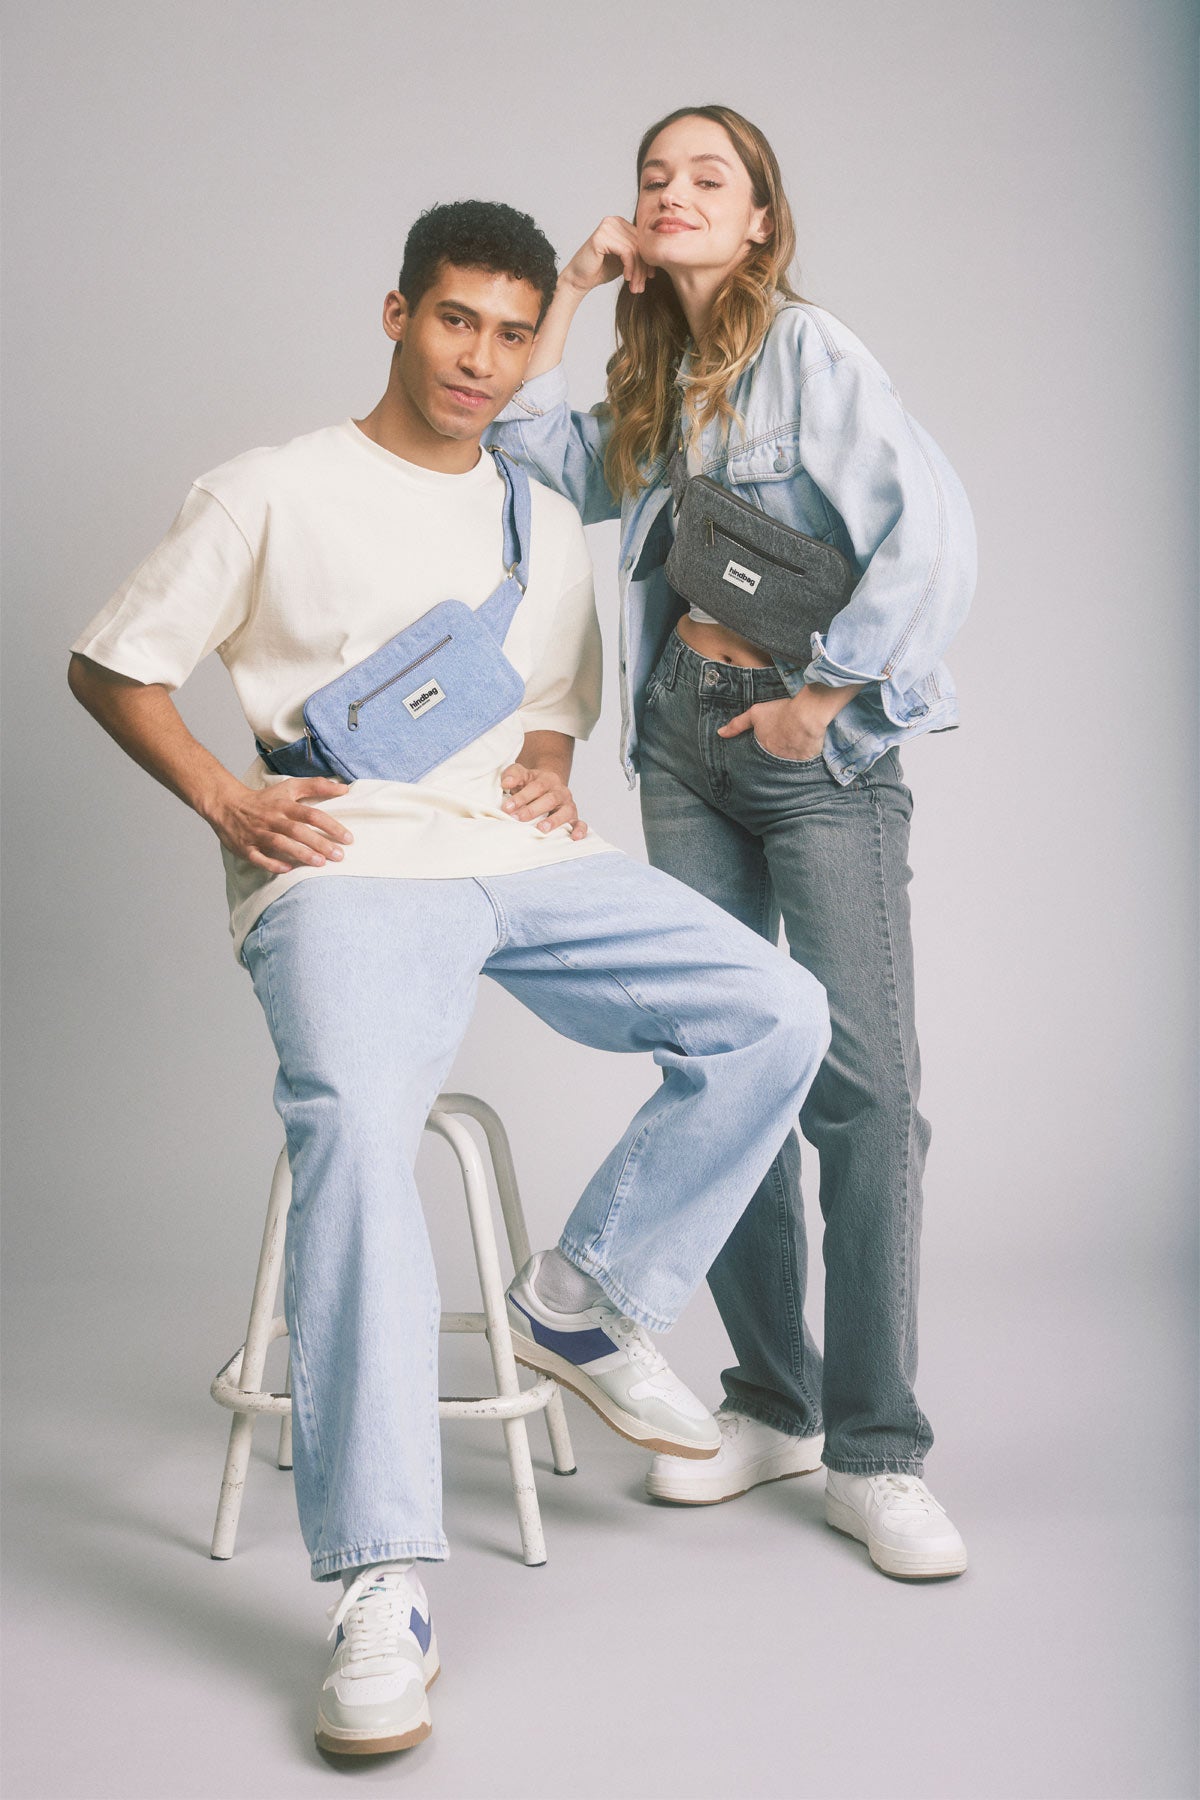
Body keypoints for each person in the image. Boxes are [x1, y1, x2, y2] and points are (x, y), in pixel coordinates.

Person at [67, 199, 831, 1755]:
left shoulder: (537, 512)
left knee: (777, 1009)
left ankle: (584, 1301)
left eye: (510, 332)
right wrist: (224, 800)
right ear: (398, 314)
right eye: (454, 320)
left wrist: (547, 758)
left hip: (518, 861)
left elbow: (548, 690)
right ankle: (381, 1583)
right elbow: (113, 661)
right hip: (345, 868)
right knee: (357, 1134)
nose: (480, 357)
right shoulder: (271, 488)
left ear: (534, 345)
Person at [488, 106, 977, 1581]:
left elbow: (932, 538)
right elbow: (519, 449)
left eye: (711, 177)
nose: (674, 192)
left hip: (806, 749)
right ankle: (774, 1404)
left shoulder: (811, 353)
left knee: (864, 1098)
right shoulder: (651, 386)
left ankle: (879, 1452)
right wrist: (574, 288)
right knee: (731, 1062)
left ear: (762, 217)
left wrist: (829, 699)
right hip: (681, 748)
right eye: (655, 177)